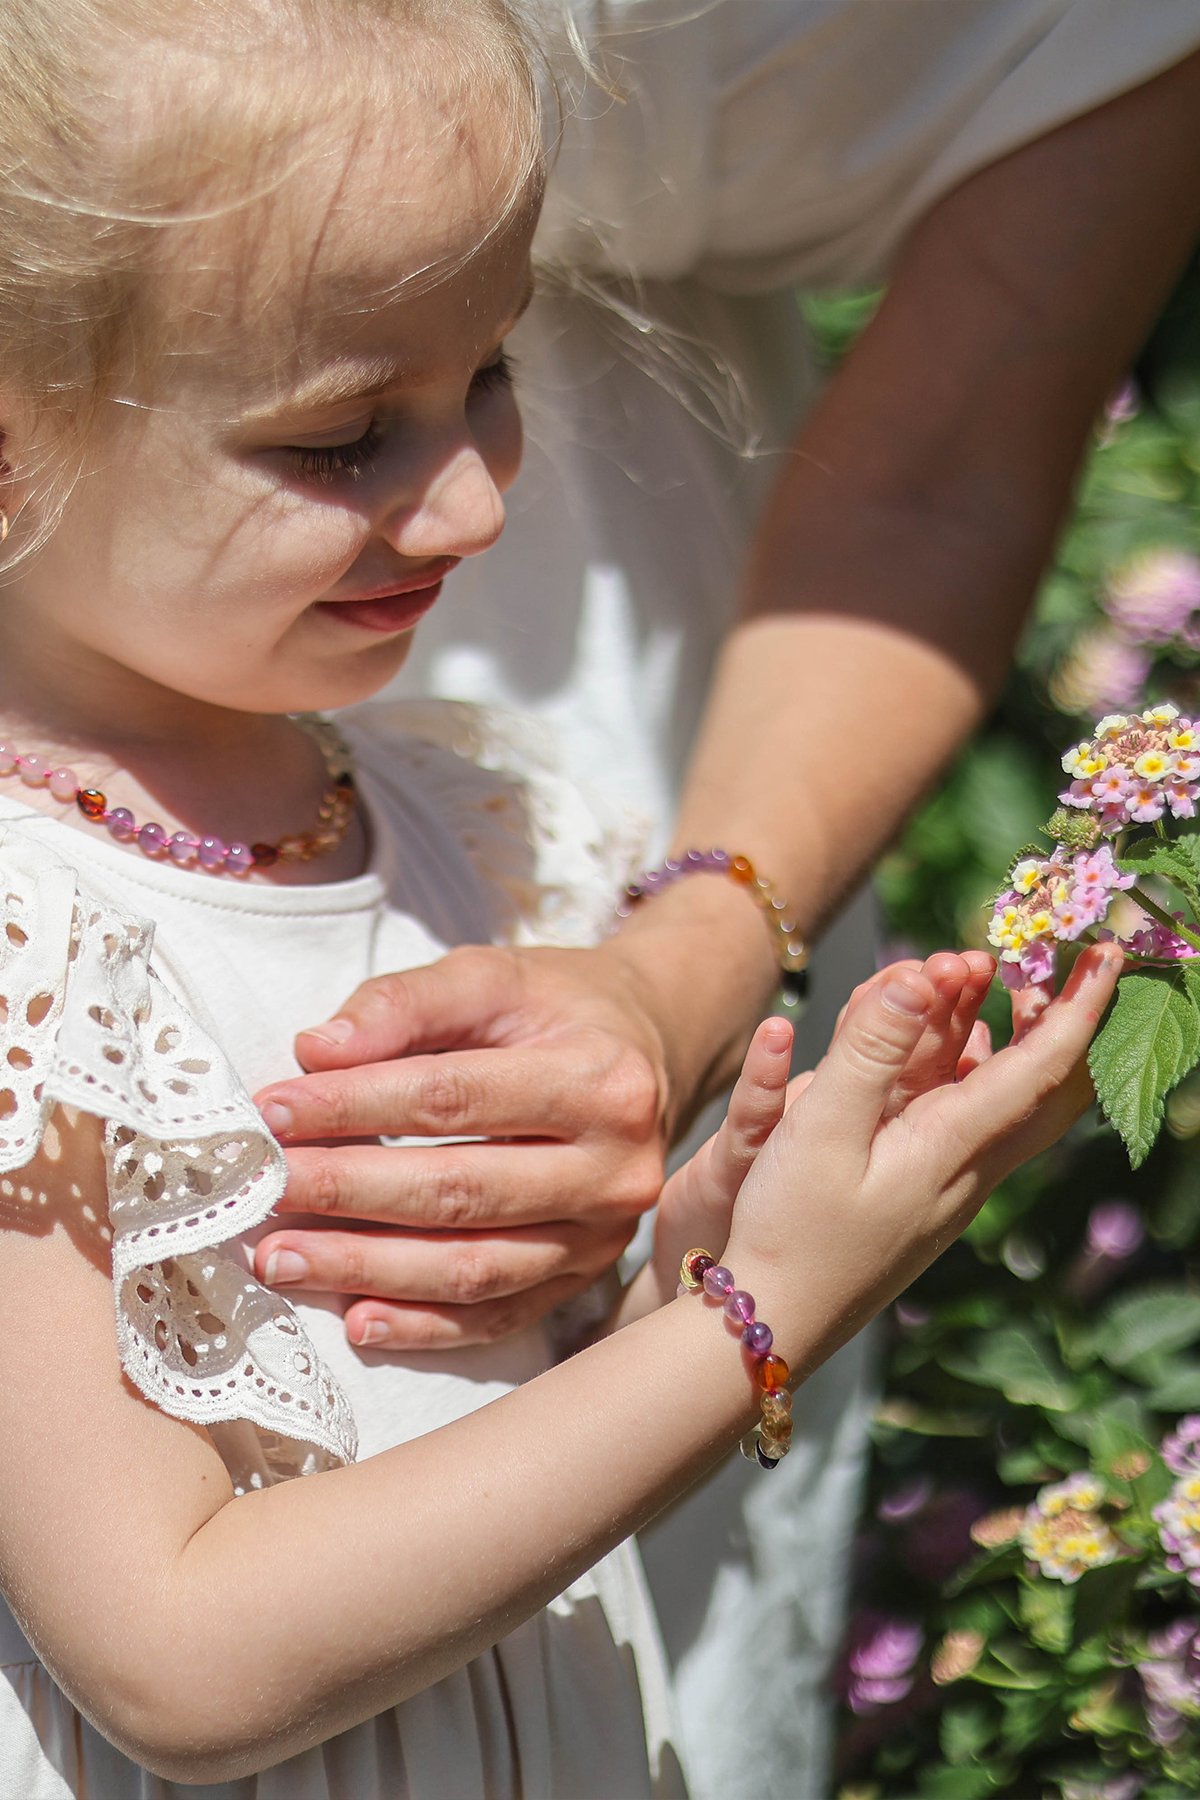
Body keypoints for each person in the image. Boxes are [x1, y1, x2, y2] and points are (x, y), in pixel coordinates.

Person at [0, 2, 1127, 1795]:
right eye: (345, 435)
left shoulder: (472, 819)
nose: (468, 504)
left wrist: (691, 1243)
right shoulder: (28, 955)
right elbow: (184, 1658)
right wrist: (754, 1314)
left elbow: (451, 1402)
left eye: (493, 375)